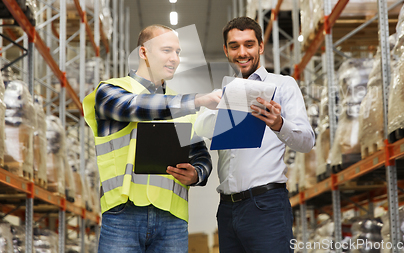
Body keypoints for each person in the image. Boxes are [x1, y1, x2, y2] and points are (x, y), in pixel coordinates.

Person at [83, 24, 221, 253]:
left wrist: (197, 173)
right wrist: (196, 100)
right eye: (167, 50)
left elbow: (201, 154)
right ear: (143, 52)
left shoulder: (179, 102)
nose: (175, 58)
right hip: (122, 215)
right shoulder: (110, 91)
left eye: (178, 52)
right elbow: (135, 106)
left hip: (172, 219)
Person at [194, 17, 315, 253]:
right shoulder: (221, 94)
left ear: (260, 46)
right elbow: (200, 127)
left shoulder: (283, 85)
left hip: (266, 206)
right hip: (227, 210)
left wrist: (279, 124)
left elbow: (307, 141)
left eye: (249, 44)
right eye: (234, 46)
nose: (242, 52)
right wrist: (228, 110)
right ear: (226, 51)